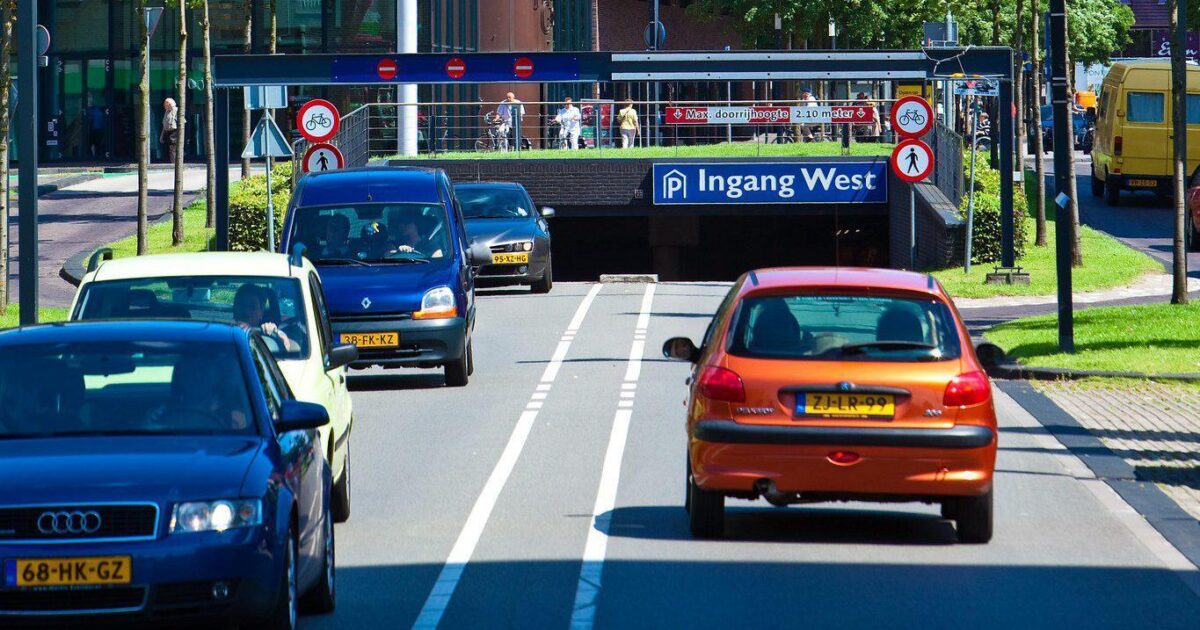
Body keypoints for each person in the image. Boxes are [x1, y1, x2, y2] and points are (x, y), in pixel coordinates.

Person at [233, 285, 299, 353]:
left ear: (261, 312)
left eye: (252, 307)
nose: (246, 311)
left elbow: (290, 348)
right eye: (241, 305)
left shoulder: (267, 335)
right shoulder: (222, 331)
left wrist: (276, 334)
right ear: (234, 308)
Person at [160, 98, 179, 162]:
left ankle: (173, 163)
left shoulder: (176, 111)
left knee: (172, 147)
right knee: (167, 148)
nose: (164, 105)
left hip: (174, 132)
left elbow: (182, 123)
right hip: (167, 132)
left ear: (169, 104)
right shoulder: (166, 112)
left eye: (165, 103)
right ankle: (169, 162)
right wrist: (162, 136)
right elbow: (164, 125)